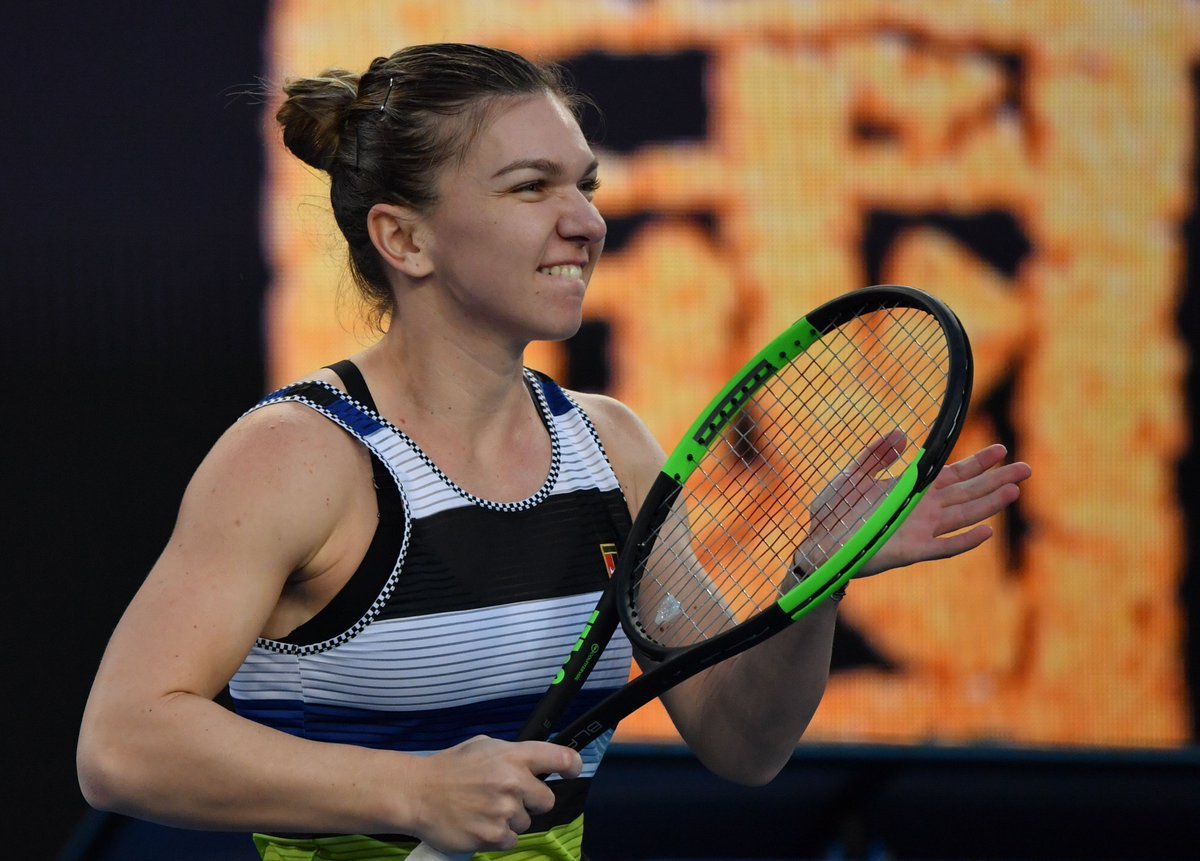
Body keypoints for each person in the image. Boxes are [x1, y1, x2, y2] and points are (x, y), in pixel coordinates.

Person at [77, 43, 1032, 861]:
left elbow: (745, 746)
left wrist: (814, 582)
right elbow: (122, 744)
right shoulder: (298, 456)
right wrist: (416, 790)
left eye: (586, 185)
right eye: (532, 187)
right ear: (404, 238)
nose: (586, 221)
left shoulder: (610, 448)